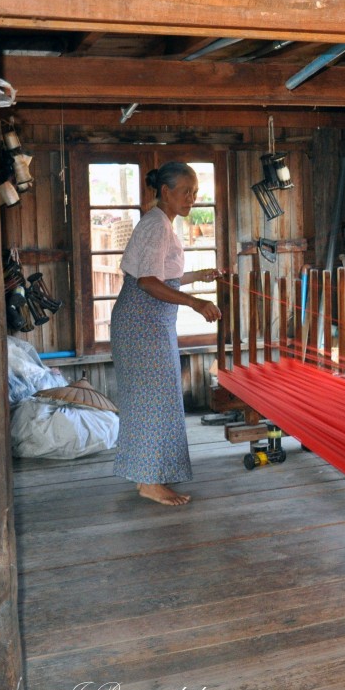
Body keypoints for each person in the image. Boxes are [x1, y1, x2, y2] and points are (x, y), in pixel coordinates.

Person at [111, 162, 222, 506]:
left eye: (195, 192)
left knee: (155, 397)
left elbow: (160, 276)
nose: (192, 198)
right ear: (165, 192)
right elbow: (147, 282)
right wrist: (194, 302)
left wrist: (197, 277)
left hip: (149, 321)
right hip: (141, 322)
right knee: (151, 399)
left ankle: (150, 474)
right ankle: (149, 482)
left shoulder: (162, 224)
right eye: (186, 192)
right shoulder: (156, 225)